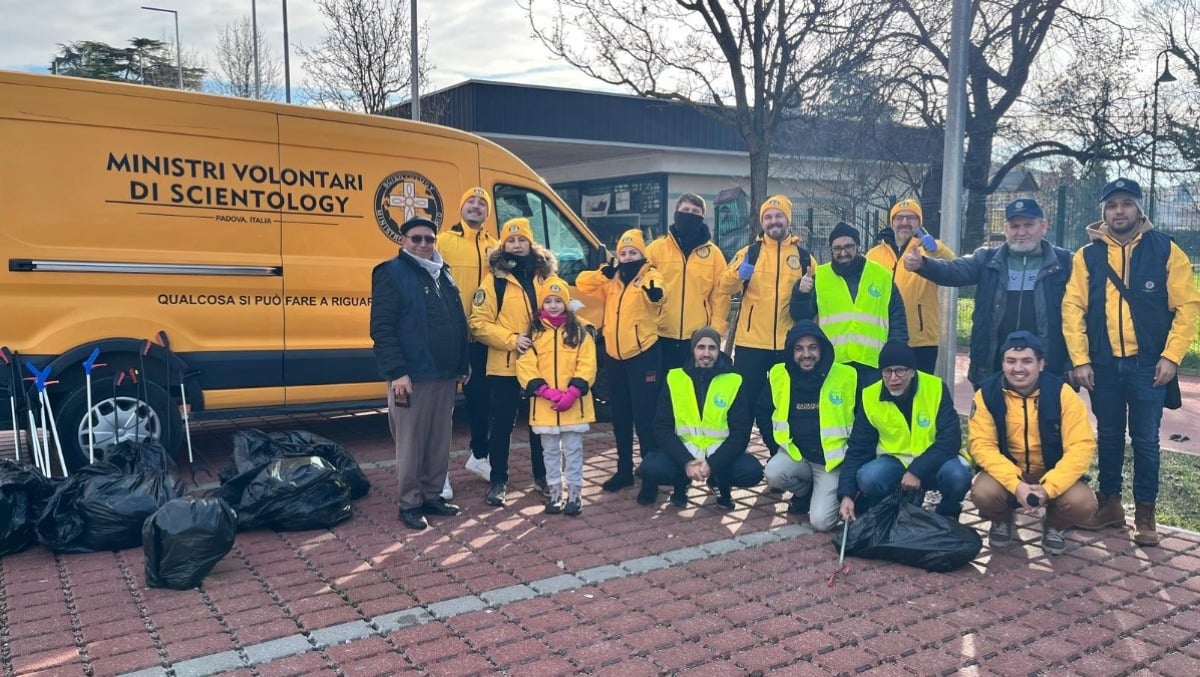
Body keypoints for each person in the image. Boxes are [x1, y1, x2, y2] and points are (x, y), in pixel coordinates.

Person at [1063, 178, 1200, 546]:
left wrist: (1172, 357)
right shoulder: (1087, 255)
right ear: (1103, 212)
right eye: (1111, 205)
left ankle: (1146, 514)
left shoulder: (1166, 250)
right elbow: (1073, 308)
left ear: (1139, 208)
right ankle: (1110, 504)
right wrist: (1080, 359)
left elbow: (1187, 307)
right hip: (1103, 366)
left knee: (1145, 441)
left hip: (1149, 366)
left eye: (1126, 203)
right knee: (1107, 436)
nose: (1118, 211)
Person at [904, 198, 1073, 387]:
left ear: (1043, 226)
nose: (1021, 232)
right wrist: (923, 264)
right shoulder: (986, 259)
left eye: (1028, 225)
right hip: (992, 368)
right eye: (1015, 226)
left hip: (1048, 370)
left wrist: (1073, 364)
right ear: (1005, 229)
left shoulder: (1065, 263)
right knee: (991, 417)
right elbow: (954, 270)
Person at [369, 217, 469, 530]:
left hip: (444, 374)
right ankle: (409, 504)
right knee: (411, 444)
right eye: (417, 239)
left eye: (429, 239)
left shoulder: (444, 273)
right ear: (403, 240)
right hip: (411, 376)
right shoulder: (391, 273)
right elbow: (382, 329)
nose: (424, 244)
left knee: (439, 441)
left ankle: (432, 495)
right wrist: (397, 372)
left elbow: (457, 322)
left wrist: (462, 363)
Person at [968, 331, 1097, 555]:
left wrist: (1048, 489)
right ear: (1003, 363)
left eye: (1027, 361)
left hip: (1051, 473)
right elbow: (981, 446)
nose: (1018, 369)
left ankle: (1055, 525)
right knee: (983, 492)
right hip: (1008, 474)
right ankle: (1002, 520)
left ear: (1041, 364)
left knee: (1083, 503)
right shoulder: (986, 394)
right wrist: (1016, 485)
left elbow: (1081, 447)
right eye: (1011, 361)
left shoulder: (1063, 394)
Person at [717, 195, 817, 455]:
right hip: (750, 345)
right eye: (768, 217)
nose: (773, 221)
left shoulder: (804, 258)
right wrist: (738, 276)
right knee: (742, 406)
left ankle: (779, 461)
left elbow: (813, 307)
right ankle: (729, 464)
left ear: (787, 219)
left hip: (787, 346)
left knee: (781, 407)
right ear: (763, 222)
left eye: (778, 216)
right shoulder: (750, 252)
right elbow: (723, 286)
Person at [468, 217, 556, 507]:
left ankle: (542, 476)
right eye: (511, 240)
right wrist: (512, 339)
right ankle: (498, 480)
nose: (517, 246)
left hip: (541, 364)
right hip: (505, 364)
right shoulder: (494, 280)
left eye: (522, 240)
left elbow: (560, 313)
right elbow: (478, 323)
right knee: (503, 424)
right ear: (503, 245)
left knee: (539, 424)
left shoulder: (546, 277)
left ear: (531, 243)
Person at [837, 340, 970, 522]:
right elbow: (857, 448)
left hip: (934, 461)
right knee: (867, 477)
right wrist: (847, 494)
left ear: (912, 371)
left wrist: (917, 470)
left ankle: (947, 515)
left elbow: (951, 439)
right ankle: (898, 504)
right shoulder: (870, 396)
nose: (893, 378)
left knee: (958, 475)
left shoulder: (935, 388)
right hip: (896, 462)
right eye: (887, 371)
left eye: (900, 370)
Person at [576, 229, 666, 492]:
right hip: (614, 356)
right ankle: (624, 470)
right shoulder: (611, 280)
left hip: (643, 355)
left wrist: (656, 294)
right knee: (621, 416)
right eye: (623, 253)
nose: (627, 257)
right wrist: (601, 272)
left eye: (633, 252)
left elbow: (660, 291)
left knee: (645, 418)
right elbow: (583, 283)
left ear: (642, 254)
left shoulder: (650, 275)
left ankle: (650, 475)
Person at [643, 327, 763, 508]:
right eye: (701, 347)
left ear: (718, 350)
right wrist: (686, 462)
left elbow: (740, 432)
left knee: (751, 471)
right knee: (651, 467)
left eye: (712, 348)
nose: (706, 353)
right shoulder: (675, 378)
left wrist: (713, 464)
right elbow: (662, 427)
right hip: (683, 454)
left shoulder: (733, 381)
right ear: (693, 350)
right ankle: (681, 483)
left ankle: (719, 482)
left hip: (719, 455)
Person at [763, 320, 859, 531]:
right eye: (799, 349)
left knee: (821, 523)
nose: (806, 354)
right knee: (773, 472)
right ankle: (804, 491)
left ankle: (824, 492)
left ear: (822, 350)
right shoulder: (779, 374)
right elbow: (763, 413)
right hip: (798, 456)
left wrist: (848, 488)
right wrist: (777, 446)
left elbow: (862, 427)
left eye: (812, 348)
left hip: (831, 463)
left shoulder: (846, 376)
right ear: (791, 352)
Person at [516, 277, 597, 516]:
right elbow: (526, 364)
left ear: (566, 303)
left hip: (574, 406)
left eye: (558, 301)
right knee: (549, 452)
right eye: (548, 301)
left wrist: (573, 392)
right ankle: (554, 492)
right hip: (544, 406)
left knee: (573, 450)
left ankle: (574, 493)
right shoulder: (533, 332)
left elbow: (587, 363)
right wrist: (544, 391)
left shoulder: (579, 331)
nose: (553, 305)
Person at [790, 222, 907, 384]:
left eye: (848, 247)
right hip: (834, 364)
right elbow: (801, 316)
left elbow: (897, 320)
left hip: (874, 364)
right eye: (837, 248)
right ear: (831, 249)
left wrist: (895, 356)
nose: (843, 252)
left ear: (858, 246)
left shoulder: (882, 276)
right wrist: (801, 294)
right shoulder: (820, 277)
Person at [437, 187, 498, 490]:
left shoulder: (495, 247)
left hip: (481, 337)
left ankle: (480, 456)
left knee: (480, 403)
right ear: (461, 208)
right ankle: (438, 472)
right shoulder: (443, 242)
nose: (476, 207)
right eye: (471, 202)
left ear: (487, 211)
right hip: (450, 335)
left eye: (482, 203)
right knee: (442, 406)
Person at [866, 199, 955, 374]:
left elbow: (952, 265)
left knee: (919, 391)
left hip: (921, 340)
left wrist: (935, 250)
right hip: (882, 337)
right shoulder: (874, 254)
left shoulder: (928, 251)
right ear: (892, 222)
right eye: (899, 218)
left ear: (919, 223)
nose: (905, 223)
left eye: (911, 218)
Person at [646, 194, 731, 372]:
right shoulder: (656, 249)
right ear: (676, 213)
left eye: (695, 211)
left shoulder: (714, 255)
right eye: (685, 210)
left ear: (701, 217)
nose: (689, 214)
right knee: (663, 391)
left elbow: (720, 295)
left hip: (697, 338)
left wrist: (715, 331)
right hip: (660, 334)